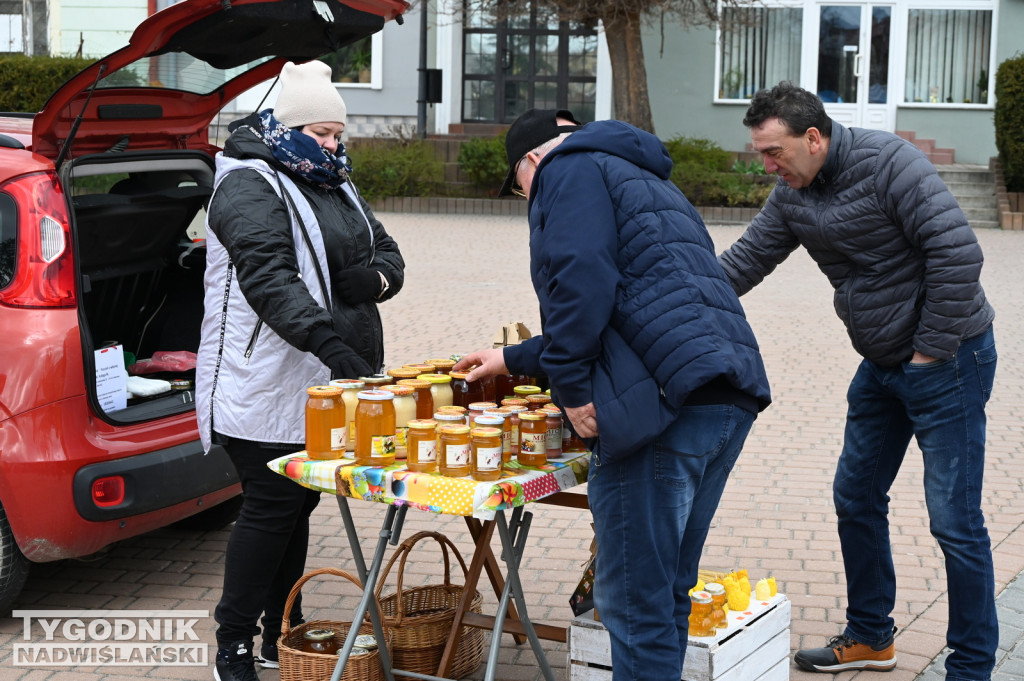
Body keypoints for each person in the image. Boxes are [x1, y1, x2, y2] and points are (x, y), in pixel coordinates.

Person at [453, 109, 771, 681]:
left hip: (662, 409)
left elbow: (581, 281)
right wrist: (510, 358)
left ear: (531, 161)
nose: (525, 196)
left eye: (517, 185)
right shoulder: (639, 173)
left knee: (630, 601)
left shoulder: (565, 170)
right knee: (667, 589)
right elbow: (628, 306)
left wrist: (573, 391)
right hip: (722, 392)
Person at [718, 82, 996, 680]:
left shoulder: (890, 163)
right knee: (856, 496)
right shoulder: (792, 193)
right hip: (882, 365)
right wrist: (666, 303)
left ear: (813, 138)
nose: (766, 165)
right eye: (760, 153)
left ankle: (972, 667)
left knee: (954, 520)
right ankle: (871, 636)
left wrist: (927, 356)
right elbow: (743, 263)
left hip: (949, 360)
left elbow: (958, 253)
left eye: (774, 152)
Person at [195, 60, 405, 681]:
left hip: (323, 381)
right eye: (323, 135)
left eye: (339, 135)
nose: (336, 147)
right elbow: (268, 279)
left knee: (296, 507)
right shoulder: (247, 185)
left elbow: (387, 249)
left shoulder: (331, 180)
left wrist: (375, 278)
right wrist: (330, 341)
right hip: (263, 380)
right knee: (269, 507)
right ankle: (233, 642)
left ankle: (279, 629)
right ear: (284, 128)